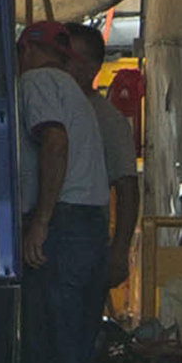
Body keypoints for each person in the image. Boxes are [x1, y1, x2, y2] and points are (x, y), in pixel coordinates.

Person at [15, 20, 111, 363]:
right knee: (71, 352)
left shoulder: (36, 81)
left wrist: (41, 221)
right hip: (89, 230)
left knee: (55, 353)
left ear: (25, 52)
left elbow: (54, 141)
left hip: (63, 230)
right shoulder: (76, 92)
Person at [67, 24, 140, 299]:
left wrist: (120, 252)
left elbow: (127, 188)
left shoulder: (107, 119)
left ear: (92, 68)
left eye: (70, 59)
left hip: (83, 239)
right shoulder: (47, 107)